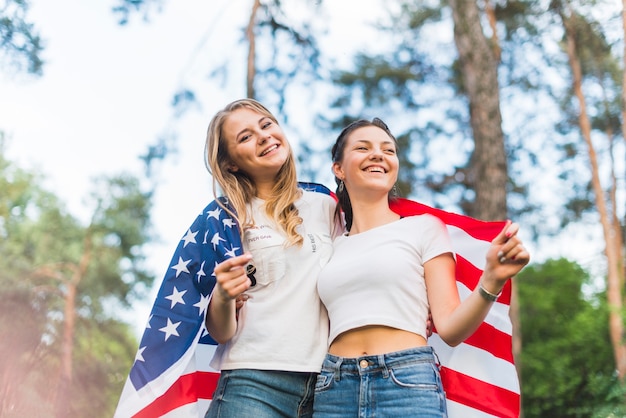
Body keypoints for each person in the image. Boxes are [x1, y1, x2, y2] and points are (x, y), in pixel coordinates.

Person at [313, 118, 530, 417]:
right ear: (338, 169)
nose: (378, 155)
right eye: (363, 147)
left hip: (406, 381)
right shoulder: (329, 244)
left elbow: (450, 329)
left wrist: (491, 280)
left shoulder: (424, 229)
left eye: (388, 150)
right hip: (333, 387)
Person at [202, 98, 341, 418]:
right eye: (246, 136)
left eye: (266, 125)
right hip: (252, 385)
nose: (264, 136)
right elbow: (221, 332)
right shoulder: (226, 218)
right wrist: (223, 295)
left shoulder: (327, 205)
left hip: (329, 387)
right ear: (231, 164)